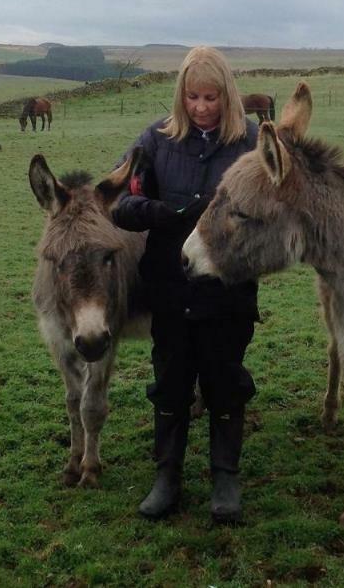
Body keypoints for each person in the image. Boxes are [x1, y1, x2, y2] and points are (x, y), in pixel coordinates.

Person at [111, 46, 260, 523]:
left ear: (227, 95)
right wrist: (161, 211)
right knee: (171, 384)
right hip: (170, 287)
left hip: (227, 290)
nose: (200, 107)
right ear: (181, 96)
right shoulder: (155, 142)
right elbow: (121, 203)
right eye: (192, 97)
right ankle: (166, 478)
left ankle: (225, 480)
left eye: (210, 97)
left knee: (225, 382)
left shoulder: (250, 144)